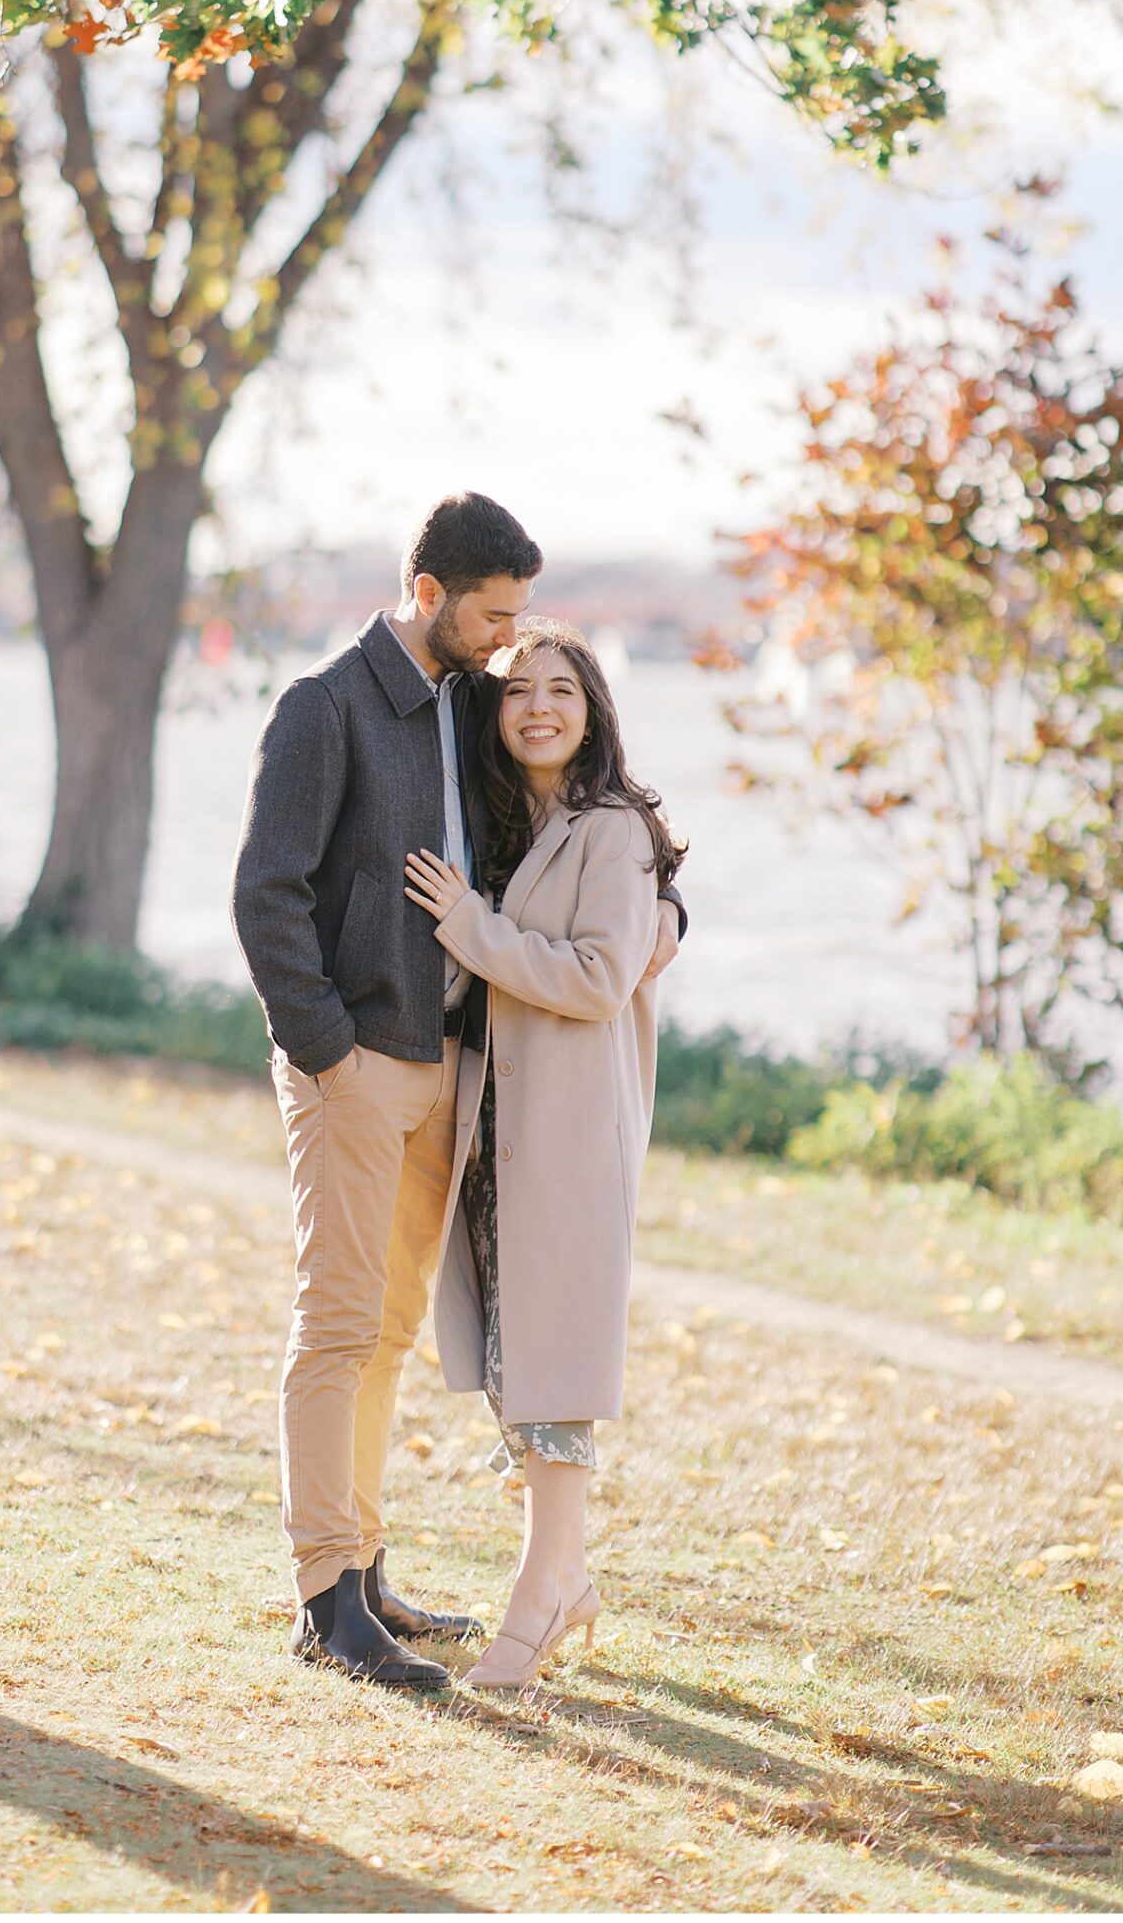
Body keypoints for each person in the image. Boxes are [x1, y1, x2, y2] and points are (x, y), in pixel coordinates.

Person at [231, 496, 684, 1689]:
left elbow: (590, 808)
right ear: (427, 594)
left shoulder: (471, 704)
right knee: (337, 1326)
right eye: (492, 615)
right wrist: (328, 1050)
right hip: (357, 1069)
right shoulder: (324, 709)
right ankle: (326, 1597)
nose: (508, 641)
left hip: (450, 1076)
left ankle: (366, 1570)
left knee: (386, 1329)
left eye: (518, 619)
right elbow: (265, 898)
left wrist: (665, 917)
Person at [404, 619, 686, 1689]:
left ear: (593, 710)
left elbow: (596, 976)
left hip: (569, 1137)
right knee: (517, 1360)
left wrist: (472, 929)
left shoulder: (612, 828)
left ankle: (540, 1588)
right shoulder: (500, 820)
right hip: (496, 1133)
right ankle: (568, 1577)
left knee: (553, 1366)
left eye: (560, 690)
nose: (537, 707)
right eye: (519, 690)